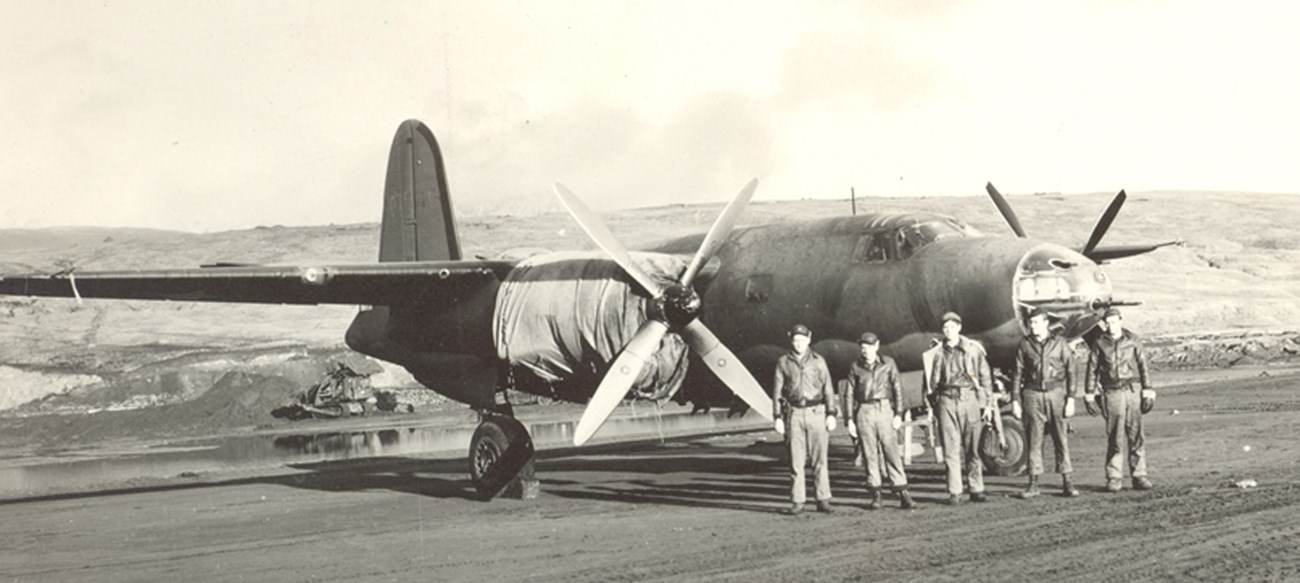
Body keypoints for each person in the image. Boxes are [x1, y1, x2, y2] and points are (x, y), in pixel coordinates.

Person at [925, 311, 994, 505]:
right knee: (950, 448)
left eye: (952, 327)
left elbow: (985, 378)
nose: (948, 331)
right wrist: (933, 406)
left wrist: (987, 404)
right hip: (946, 400)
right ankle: (955, 491)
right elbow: (931, 382)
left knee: (973, 448)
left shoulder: (973, 350)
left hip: (969, 399)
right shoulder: (936, 353)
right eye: (945, 328)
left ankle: (976, 488)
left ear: (959, 328)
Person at [1010, 307, 1080, 498]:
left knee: (1061, 438)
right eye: (1031, 323)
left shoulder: (1060, 343)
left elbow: (1072, 371)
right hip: (1032, 394)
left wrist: (1071, 398)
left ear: (1046, 323)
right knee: (1034, 440)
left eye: (1036, 322)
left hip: (1056, 393)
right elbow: (1017, 375)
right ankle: (1033, 484)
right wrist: (1015, 400)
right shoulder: (1024, 345)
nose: (1033, 326)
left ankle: (1067, 482)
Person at [1084, 307, 1155, 492]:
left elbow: (1143, 365)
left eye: (1114, 322)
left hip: (1132, 390)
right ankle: (1114, 477)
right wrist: (1089, 394)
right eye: (1108, 323)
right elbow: (1092, 369)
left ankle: (1139, 475)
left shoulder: (1132, 340)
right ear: (1105, 324)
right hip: (1111, 392)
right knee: (1114, 436)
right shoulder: (1099, 343)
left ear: (1120, 321)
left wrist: (1148, 390)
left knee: (1136, 434)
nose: (1111, 326)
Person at [772, 323, 838, 515]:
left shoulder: (819, 361)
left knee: (820, 459)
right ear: (791, 340)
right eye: (795, 340)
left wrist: (831, 414)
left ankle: (823, 499)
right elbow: (777, 392)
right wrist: (777, 417)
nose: (799, 344)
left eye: (802, 340)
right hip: (794, 413)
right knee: (796, 460)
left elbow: (828, 388)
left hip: (816, 411)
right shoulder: (783, 362)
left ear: (809, 340)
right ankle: (798, 500)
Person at [846, 332, 915, 509]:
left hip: (884, 409)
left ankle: (903, 492)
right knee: (869, 454)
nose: (865, 350)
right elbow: (849, 394)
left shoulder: (888, 364)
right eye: (863, 347)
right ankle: (876, 494)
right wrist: (850, 420)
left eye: (869, 347)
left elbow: (898, 388)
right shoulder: (855, 367)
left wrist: (898, 413)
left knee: (890, 451)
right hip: (864, 411)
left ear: (877, 346)